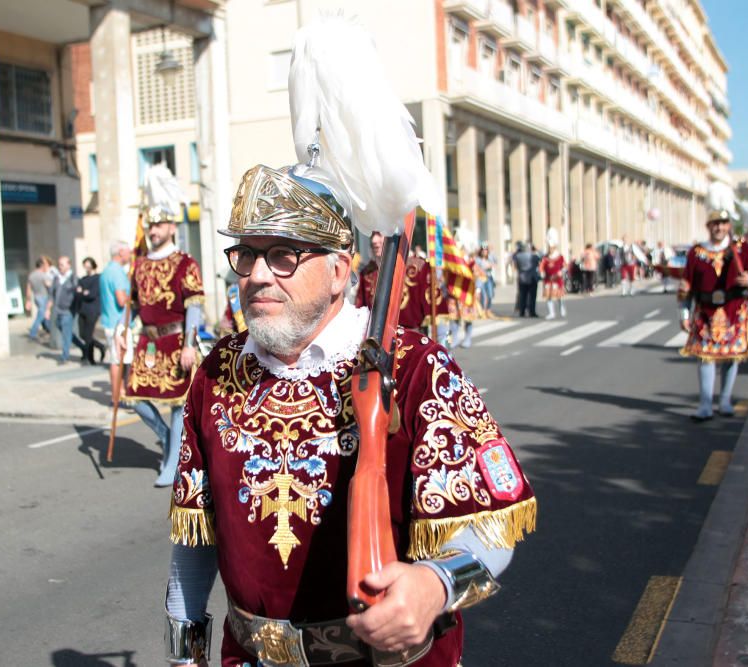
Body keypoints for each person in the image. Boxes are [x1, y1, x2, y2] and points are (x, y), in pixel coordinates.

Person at [163, 17, 535, 667]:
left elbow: (492, 519)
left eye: (282, 255)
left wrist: (436, 581)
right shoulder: (219, 369)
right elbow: (196, 529)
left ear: (340, 269)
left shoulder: (418, 368)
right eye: (244, 255)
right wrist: (183, 637)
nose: (254, 275)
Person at [118, 166, 204, 488]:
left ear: (171, 226)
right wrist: (123, 333)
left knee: (176, 404)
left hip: (176, 341)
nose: (152, 230)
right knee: (135, 398)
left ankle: (172, 463)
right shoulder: (138, 264)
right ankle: (170, 440)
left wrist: (189, 345)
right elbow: (137, 306)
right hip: (148, 344)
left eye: (158, 225)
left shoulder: (185, 262)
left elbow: (194, 304)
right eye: (150, 225)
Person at [680, 206, 748, 421]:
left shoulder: (741, 249)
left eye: (723, 223)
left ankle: (725, 400)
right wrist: (684, 313)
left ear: (729, 226)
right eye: (715, 224)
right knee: (706, 358)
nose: (719, 227)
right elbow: (686, 284)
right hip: (705, 312)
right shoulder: (696, 252)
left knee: (731, 357)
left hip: (733, 310)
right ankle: (705, 405)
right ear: (708, 227)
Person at [100, 240, 132, 406]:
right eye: (128, 251)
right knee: (118, 361)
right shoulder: (117, 272)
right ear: (120, 252)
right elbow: (121, 299)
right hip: (118, 323)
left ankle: (119, 394)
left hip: (110, 320)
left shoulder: (107, 270)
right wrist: (133, 296)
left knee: (117, 360)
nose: (130, 254)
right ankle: (119, 395)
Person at [47, 255, 79, 364]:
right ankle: (83, 346)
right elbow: (51, 294)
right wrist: (48, 309)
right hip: (57, 310)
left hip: (68, 311)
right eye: (59, 264)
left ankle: (64, 357)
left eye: (62, 264)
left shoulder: (73, 278)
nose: (59, 267)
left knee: (66, 334)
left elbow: (77, 293)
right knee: (65, 332)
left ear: (68, 265)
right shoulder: (57, 278)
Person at [75, 257, 106, 365]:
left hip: (93, 310)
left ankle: (90, 358)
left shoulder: (98, 278)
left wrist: (83, 292)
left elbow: (92, 294)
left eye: (88, 265)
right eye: (85, 265)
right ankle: (100, 346)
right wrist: (84, 292)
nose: (86, 267)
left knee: (88, 335)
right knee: (82, 334)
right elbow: (78, 293)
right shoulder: (82, 279)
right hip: (82, 309)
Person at [540, 231, 567, 319]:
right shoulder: (545, 258)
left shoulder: (560, 257)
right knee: (549, 297)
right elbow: (541, 266)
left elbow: (565, 266)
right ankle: (551, 312)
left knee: (559, 296)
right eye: (549, 248)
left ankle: (562, 308)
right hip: (548, 279)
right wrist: (542, 273)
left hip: (557, 279)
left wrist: (561, 272)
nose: (550, 249)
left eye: (551, 248)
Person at [26, 257, 53, 341]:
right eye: (45, 265)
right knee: (41, 316)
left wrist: (28, 300)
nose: (46, 267)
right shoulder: (43, 275)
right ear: (42, 266)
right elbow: (49, 285)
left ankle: (50, 330)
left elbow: (28, 288)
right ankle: (33, 333)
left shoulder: (32, 275)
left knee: (44, 315)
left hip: (36, 297)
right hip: (44, 297)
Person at [513, 241, 539, 317]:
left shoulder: (518, 256)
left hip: (522, 277)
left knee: (522, 295)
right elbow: (538, 262)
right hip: (532, 277)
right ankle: (532, 311)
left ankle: (522, 311)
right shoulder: (533, 256)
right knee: (532, 296)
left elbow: (516, 266)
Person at [475, 245, 496, 316]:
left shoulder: (489, 258)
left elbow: (495, 263)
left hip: (489, 277)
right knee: (483, 295)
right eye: (483, 251)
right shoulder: (478, 259)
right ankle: (483, 310)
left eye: (486, 250)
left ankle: (488, 310)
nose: (484, 252)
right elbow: (476, 268)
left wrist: (491, 252)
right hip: (481, 278)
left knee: (490, 294)